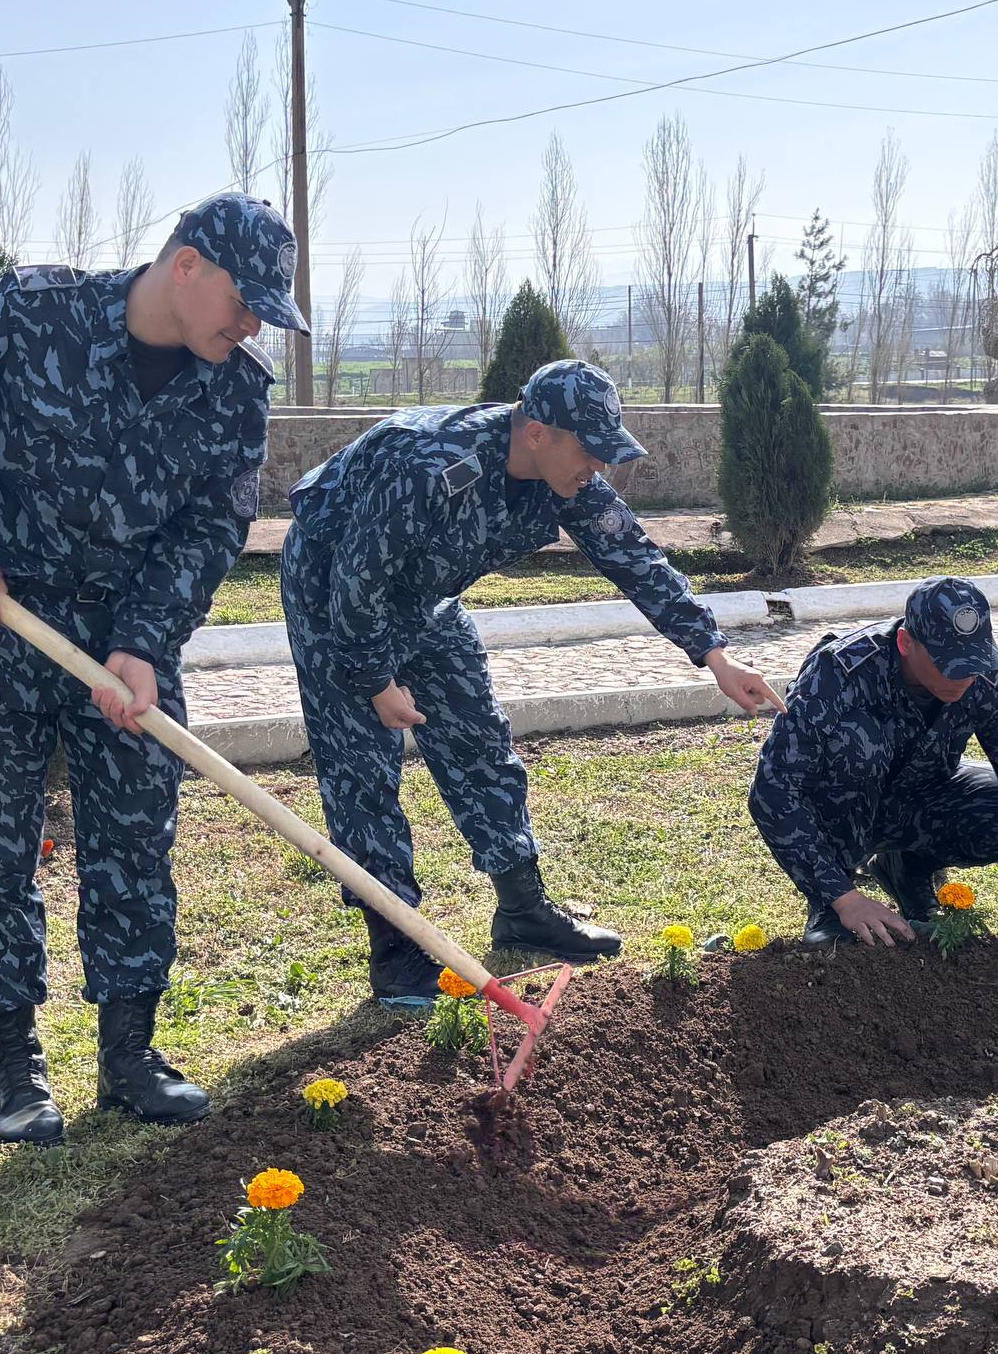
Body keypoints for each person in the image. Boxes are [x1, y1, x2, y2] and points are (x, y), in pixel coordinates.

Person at [0, 193, 295, 1142]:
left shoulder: (235, 392)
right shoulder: (28, 317)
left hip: (123, 646)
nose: (252, 322)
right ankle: (14, 1071)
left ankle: (130, 1054)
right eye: (246, 300)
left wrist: (142, 643)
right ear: (187, 267)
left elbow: (210, 527)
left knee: (137, 836)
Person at [281, 359, 783, 1002]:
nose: (599, 467)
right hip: (335, 594)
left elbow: (634, 558)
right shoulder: (430, 464)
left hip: (426, 599)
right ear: (538, 431)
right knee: (363, 768)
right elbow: (358, 578)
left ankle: (523, 908)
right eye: (589, 450)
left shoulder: (566, 480)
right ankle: (397, 949)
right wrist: (376, 680)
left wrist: (714, 655)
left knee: (480, 738)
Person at [748, 576, 998, 970]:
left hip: (918, 799)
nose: (964, 678)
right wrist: (844, 898)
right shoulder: (839, 669)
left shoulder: (982, 673)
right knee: (857, 744)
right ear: (906, 643)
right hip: (842, 809)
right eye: (949, 664)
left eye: (973, 663)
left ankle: (908, 868)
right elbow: (774, 792)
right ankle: (828, 904)